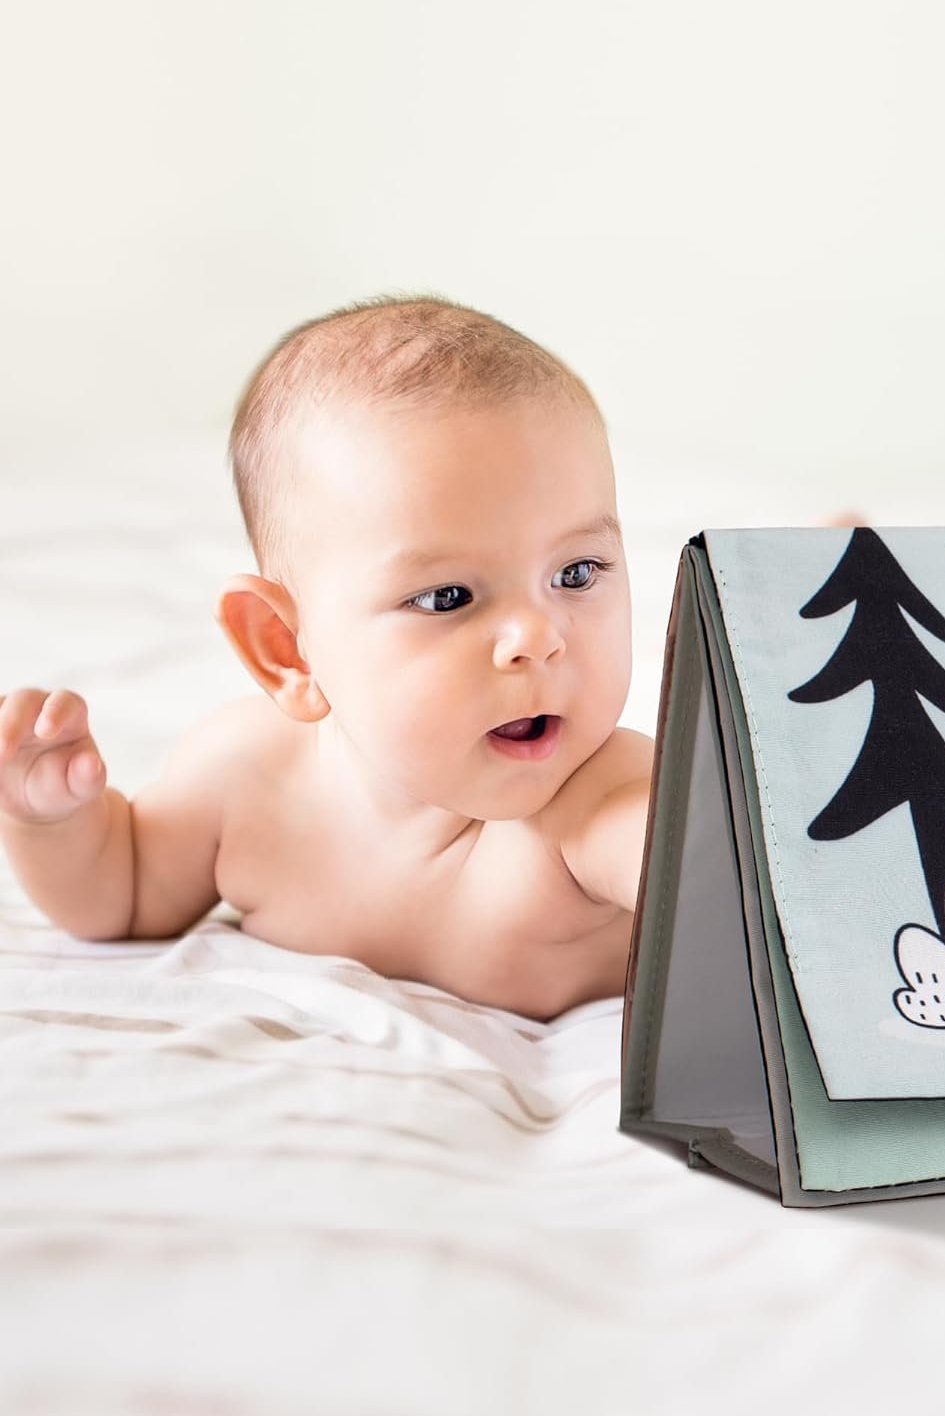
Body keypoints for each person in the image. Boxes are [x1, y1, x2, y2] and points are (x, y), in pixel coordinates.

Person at [0, 296, 661, 1020]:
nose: (538, 636)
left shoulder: (604, 799)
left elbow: (708, 881)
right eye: (447, 597)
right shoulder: (246, 780)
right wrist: (52, 823)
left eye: (577, 573)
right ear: (287, 650)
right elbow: (122, 896)